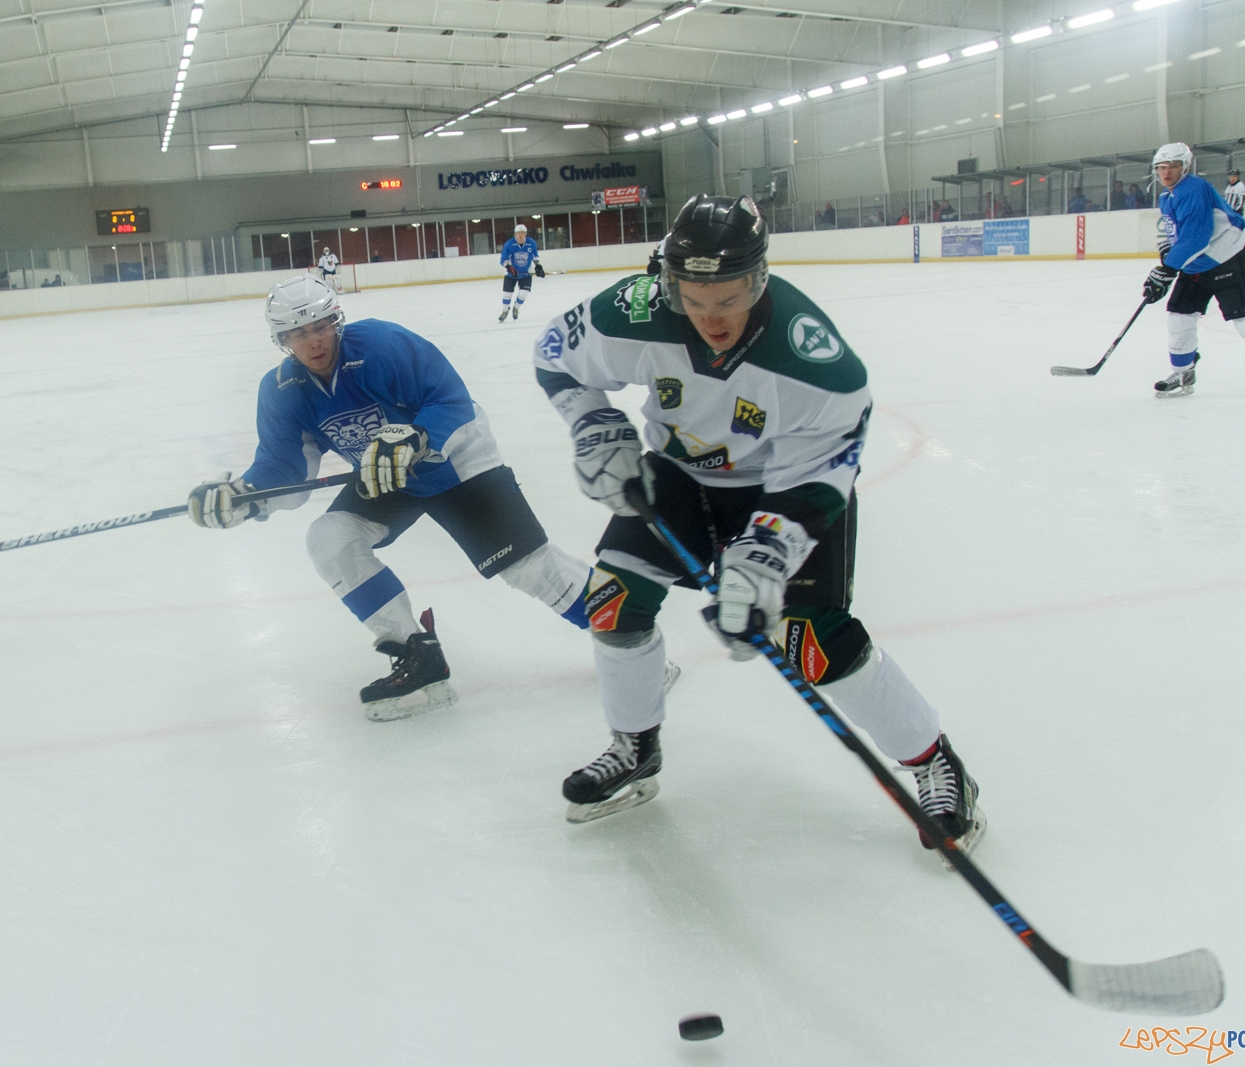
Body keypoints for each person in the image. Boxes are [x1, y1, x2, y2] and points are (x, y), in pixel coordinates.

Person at [531, 193, 987, 850]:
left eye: (730, 295)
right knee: (614, 600)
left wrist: (766, 554)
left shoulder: (812, 358)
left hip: (785, 485)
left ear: (760, 277)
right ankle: (634, 746)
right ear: (668, 282)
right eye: (694, 296)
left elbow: (828, 461)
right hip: (683, 474)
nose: (712, 316)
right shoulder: (631, 314)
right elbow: (554, 353)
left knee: (814, 641)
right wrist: (593, 420)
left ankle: (935, 762)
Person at [187, 276, 626, 721]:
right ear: (282, 339)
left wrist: (418, 435)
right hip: (384, 478)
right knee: (330, 539)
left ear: (336, 321)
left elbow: (452, 401)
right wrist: (247, 495)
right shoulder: (281, 389)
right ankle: (417, 653)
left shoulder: (382, 344)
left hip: (455, 464)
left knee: (528, 567)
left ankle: (629, 636)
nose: (314, 341)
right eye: (299, 333)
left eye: (321, 326)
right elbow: (286, 467)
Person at [1145, 143, 1245, 404]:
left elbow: (1196, 237)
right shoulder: (1166, 197)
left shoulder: (1194, 188)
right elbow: (1177, 234)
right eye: (1161, 168)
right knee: (1178, 317)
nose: (1166, 173)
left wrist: (1166, 270)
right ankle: (1183, 373)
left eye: (1173, 166)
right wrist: (1167, 253)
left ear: (1185, 167)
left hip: (1229, 257)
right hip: (1197, 266)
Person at [497, 223, 544, 322]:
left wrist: (538, 266)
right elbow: (503, 259)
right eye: (518, 233)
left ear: (525, 233)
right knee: (507, 295)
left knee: (523, 294)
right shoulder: (510, 244)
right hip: (511, 275)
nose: (520, 235)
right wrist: (509, 267)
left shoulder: (531, 243)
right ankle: (505, 311)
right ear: (515, 234)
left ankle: (516, 308)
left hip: (525, 274)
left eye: (522, 232)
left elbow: (535, 256)